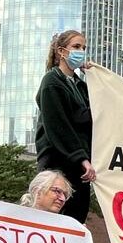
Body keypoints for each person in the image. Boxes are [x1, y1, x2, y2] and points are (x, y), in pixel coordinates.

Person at [34, 30, 95, 226]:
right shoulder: (52, 81)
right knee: (54, 217)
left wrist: (95, 77)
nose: (81, 52)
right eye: (76, 47)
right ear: (61, 51)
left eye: (84, 48)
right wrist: (81, 158)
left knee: (76, 218)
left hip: (79, 166)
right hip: (59, 162)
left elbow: (94, 116)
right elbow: (59, 126)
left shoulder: (81, 86)